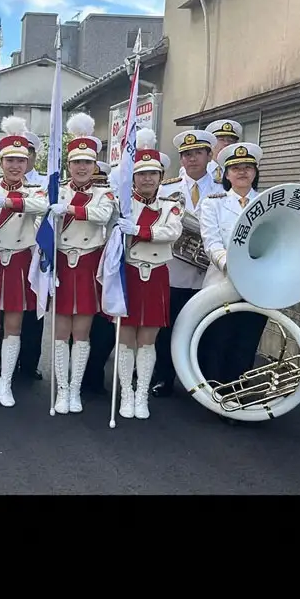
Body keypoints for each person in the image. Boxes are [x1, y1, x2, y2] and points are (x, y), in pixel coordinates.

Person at [0, 117, 49, 408]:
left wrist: (7, 202)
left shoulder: (35, 190)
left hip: (18, 261)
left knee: (14, 326)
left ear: (28, 163)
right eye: (10, 160)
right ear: (0, 162)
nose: (15, 166)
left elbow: (43, 206)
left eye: (21, 160)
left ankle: (6, 382)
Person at [106, 129, 183, 420]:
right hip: (128, 273)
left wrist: (138, 230)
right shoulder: (122, 205)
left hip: (156, 275)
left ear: (161, 177)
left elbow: (171, 232)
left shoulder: (171, 206)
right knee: (126, 338)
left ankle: (142, 395)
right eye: (141, 174)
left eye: (152, 174)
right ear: (133, 178)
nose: (147, 179)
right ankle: (127, 393)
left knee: (148, 340)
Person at [49, 115, 115, 414]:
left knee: (83, 332)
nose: (82, 167)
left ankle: (75, 389)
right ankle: (62, 389)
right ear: (69, 165)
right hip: (63, 262)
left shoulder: (104, 193)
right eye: (76, 162)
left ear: (95, 165)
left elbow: (102, 215)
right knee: (61, 332)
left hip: (89, 263)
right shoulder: (57, 190)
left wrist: (70, 209)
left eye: (87, 162)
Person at [152, 128, 221, 399]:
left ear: (209, 156)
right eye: (186, 154)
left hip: (210, 274)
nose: (192, 159)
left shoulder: (223, 188)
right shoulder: (167, 189)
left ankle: (201, 383)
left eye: (198, 153)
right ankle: (163, 378)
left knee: (205, 331)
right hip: (175, 270)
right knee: (167, 328)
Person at [198, 142, 269, 389]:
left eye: (248, 167)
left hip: (258, 285)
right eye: (236, 168)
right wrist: (233, 266)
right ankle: (214, 393)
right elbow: (211, 242)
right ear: (226, 175)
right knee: (218, 340)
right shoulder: (213, 203)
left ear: (255, 172)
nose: (242, 172)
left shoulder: (268, 202)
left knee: (246, 342)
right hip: (222, 281)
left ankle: (237, 392)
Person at [85, 160, 118, 393]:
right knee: (80, 326)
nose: (96, 187)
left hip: (108, 268)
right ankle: (80, 373)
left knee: (105, 327)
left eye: (100, 183)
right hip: (85, 266)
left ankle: (95, 372)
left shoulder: (112, 201)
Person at [19, 130, 47, 379]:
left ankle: (29, 364)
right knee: (7, 313)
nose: (22, 159)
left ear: (34, 155)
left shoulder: (46, 182)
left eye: (27, 153)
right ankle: (6, 365)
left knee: (33, 312)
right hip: (11, 254)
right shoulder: (0, 181)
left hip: (36, 255)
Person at [205, 119, 244, 184]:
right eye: (221, 139)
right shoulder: (200, 168)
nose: (226, 143)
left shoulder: (241, 171)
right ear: (211, 143)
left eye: (230, 140)